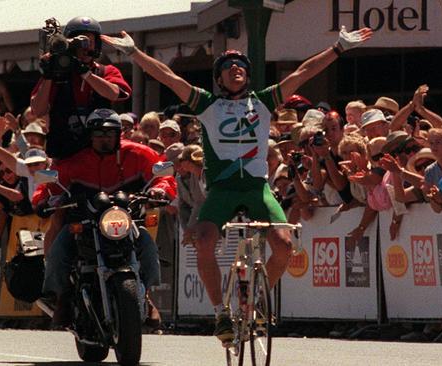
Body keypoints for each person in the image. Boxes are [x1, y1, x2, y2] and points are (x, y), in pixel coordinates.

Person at [101, 24, 372, 342]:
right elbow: (168, 77)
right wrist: (135, 53)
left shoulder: (263, 101)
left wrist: (338, 47)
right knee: (204, 241)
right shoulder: (208, 105)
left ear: (248, 74)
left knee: (285, 246)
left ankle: (257, 301)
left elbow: (302, 72)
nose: (234, 70)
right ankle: (221, 315)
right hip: (222, 190)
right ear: (219, 79)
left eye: (240, 66)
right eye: (227, 67)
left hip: (257, 188)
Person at [32, 108, 176, 326]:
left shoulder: (139, 154)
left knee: (146, 244)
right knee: (60, 247)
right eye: (98, 134)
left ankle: (145, 295)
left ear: (119, 134)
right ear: (89, 136)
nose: (104, 138)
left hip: (123, 219)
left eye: (109, 133)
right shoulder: (75, 161)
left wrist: (161, 190)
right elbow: (49, 186)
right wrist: (43, 201)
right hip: (85, 221)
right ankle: (62, 297)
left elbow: (161, 176)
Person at [30, 16, 131, 159]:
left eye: (89, 41)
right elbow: (37, 110)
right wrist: (49, 75)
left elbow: (114, 93)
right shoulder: (56, 75)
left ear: (97, 45)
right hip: (65, 155)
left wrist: (84, 72)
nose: (84, 47)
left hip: (100, 154)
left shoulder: (106, 71)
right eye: (79, 41)